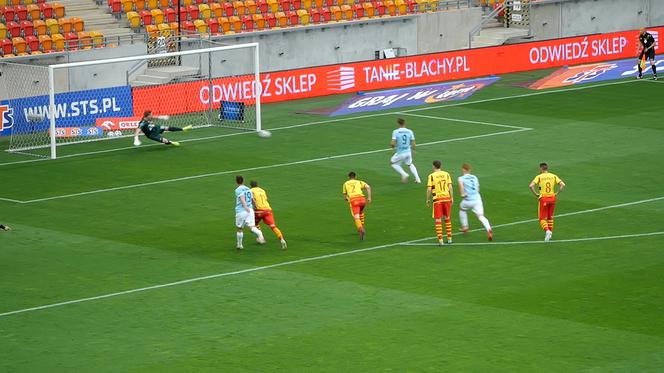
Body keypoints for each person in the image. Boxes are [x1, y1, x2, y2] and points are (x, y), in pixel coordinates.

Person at [529, 163, 566, 242]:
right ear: (547, 168)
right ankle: (550, 234)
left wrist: (535, 194)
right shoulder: (553, 176)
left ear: (541, 169)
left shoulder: (539, 177)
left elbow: (531, 186)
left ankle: (547, 231)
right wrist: (557, 193)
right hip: (552, 198)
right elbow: (563, 185)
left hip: (544, 198)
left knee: (542, 218)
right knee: (550, 217)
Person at [458, 163, 493, 241]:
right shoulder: (474, 177)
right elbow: (478, 188)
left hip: (468, 200)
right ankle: (489, 229)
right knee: (481, 216)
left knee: (462, 208)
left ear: (463, 169)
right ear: (469, 170)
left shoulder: (461, 178)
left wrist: (463, 194)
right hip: (477, 200)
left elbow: (461, 189)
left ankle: (465, 227)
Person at [250, 180, 287, 250]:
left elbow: (251, 200)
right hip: (268, 210)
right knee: (273, 227)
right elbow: (265, 199)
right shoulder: (262, 190)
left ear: (251, 186)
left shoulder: (250, 190)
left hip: (258, 211)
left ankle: (261, 238)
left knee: (253, 225)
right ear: (257, 185)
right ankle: (282, 239)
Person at [426, 160, 453, 246]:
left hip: (438, 199)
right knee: (447, 217)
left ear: (434, 166)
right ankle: (449, 238)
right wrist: (451, 197)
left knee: (438, 219)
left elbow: (429, 189)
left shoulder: (431, 176)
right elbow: (450, 187)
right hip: (446, 198)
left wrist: (427, 199)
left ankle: (441, 240)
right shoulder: (446, 174)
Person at [234, 175, 265, 250]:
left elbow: (241, 198)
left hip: (242, 211)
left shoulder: (238, 190)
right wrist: (255, 207)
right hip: (250, 210)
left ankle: (239, 245)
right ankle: (260, 234)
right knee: (252, 227)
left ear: (236, 182)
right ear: (243, 181)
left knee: (240, 228)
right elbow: (252, 199)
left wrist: (245, 207)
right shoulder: (248, 189)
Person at [342, 171, 372, 240]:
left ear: (348, 177)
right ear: (355, 177)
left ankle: (360, 229)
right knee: (361, 212)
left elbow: (345, 197)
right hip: (362, 200)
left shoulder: (345, 183)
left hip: (354, 201)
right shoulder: (359, 182)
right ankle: (362, 226)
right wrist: (369, 197)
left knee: (356, 217)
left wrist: (348, 199)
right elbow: (368, 187)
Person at [390, 118, 421, 184]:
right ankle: (418, 179)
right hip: (408, 152)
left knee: (393, 163)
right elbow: (413, 142)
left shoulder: (396, 131)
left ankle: (404, 174)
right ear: (405, 123)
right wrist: (414, 150)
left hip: (400, 152)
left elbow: (393, 142)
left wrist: (392, 147)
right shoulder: (410, 131)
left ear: (398, 124)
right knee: (410, 164)